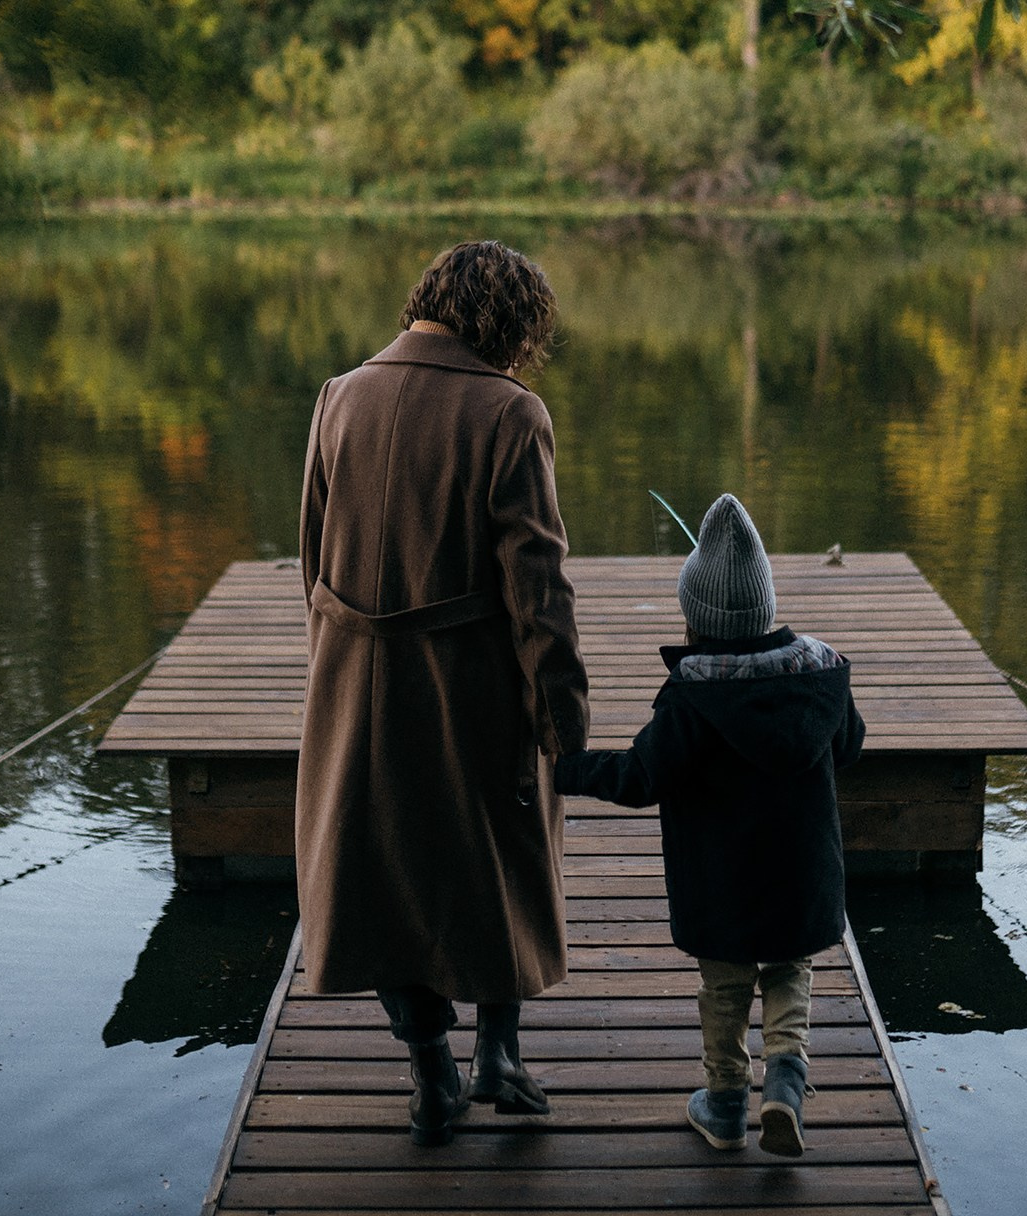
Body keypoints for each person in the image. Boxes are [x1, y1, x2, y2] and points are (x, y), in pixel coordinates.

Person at [294, 240, 588, 1147]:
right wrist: (561, 714)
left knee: (377, 869)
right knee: (499, 857)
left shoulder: (339, 394)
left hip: (355, 679)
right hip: (472, 683)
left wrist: (333, 668)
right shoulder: (510, 412)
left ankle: (431, 1075)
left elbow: (312, 554)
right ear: (508, 323)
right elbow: (537, 581)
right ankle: (498, 1053)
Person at [553, 494, 864, 1158]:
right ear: (767, 606)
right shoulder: (823, 672)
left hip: (720, 885)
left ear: (694, 618)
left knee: (724, 987)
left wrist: (564, 770)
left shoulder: (693, 694)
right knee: (789, 971)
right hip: (802, 878)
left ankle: (725, 1104)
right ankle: (786, 1079)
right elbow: (848, 747)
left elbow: (641, 776)